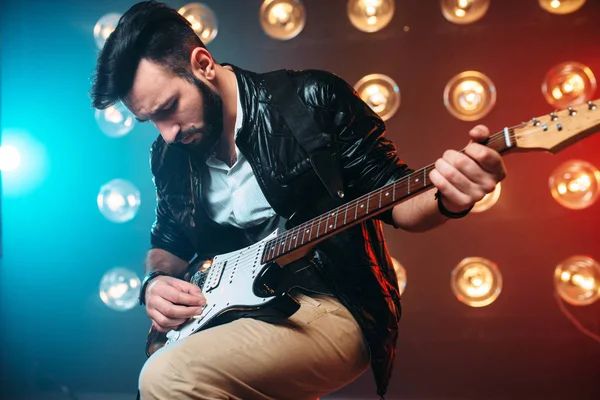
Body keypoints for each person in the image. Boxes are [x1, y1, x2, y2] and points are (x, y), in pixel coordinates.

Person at [90, 1, 506, 399]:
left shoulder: (311, 100)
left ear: (203, 65)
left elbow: (395, 196)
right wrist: (154, 283)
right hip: (228, 316)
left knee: (168, 377)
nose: (167, 134)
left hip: (333, 304)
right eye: (151, 121)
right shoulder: (169, 155)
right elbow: (169, 241)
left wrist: (449, 197)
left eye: (169, 108)